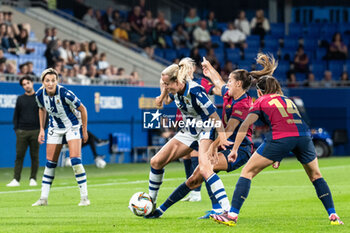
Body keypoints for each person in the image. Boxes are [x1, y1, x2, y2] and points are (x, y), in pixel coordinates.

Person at [210, 60, 344, 226]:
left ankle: (232, 216)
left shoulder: (260, 101)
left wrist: (235, 149)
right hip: (304, 136)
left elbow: (244, 125)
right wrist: (278, 156)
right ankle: (333, 216)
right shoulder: (287, 99)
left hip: (281, 137)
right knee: (316, 176)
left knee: (247, 172)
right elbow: (290, 124)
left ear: (260, 92)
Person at [146, 54, 277, 219]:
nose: (226, 82)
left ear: (238, 84)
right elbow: (218, 83)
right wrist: (209, 69)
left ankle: (227, 211)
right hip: (218, 140)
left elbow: (228, 130)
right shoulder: (230, 96)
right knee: (194, 178)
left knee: (205, 167)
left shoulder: (243, 104)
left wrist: (214, 145)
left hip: (238, 148)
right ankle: (158, 210)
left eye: (229, 80)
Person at [146, 57, 232, 213]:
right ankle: (150, 205)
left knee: (205, 168)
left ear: (177, 81)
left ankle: (227, 209)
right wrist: (164, 89)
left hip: (206, 128)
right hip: (189, 130)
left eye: (167, 83)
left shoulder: (195, 90)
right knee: (156, 161)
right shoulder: (174, 90)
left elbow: (214, 116)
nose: (165, 86)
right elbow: (161, 102)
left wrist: (223, 137)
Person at [32, 68, 90, 206]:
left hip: (72, 126)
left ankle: (84, 198)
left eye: (53, 80)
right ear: (43, 82)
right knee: (50, 163)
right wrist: (41, 129)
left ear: (57, 81)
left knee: (75, 161)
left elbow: (82, 108)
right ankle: (43, 199)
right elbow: (41, 109)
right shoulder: (39, 94)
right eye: (47, 81)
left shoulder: (64, 93)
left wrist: (84, 130)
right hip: (54, 128)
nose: (50, 83)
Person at [7, 76, 40, 187]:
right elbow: (16, 115)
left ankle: (33, 179)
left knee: (34, 156)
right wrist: (17, 129)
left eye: (28, 83)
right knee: (19, 156)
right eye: (24, 84)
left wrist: (42, 129)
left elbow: (45, 114)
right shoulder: (20, 99)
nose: (26, 85)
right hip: (22, 132)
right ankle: (16, 179)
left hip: (36, 131)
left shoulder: (39, 97)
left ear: (32, 83)